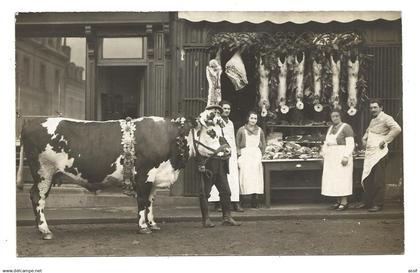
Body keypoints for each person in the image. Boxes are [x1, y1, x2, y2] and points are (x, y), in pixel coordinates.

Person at [198, 104, 241, 227]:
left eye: (218, 111)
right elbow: (197, 145)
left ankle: (227, 217)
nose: (216, 112)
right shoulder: (202, 125)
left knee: (226, 191)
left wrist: (227, 148)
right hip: (208, 163)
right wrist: (200, 162)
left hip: (221, 163)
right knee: (205, 192)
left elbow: (222, 141)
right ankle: (206, 219)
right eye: (214, 110)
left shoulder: (219, 127)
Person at [355, 99, 401, 212]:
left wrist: (385, 140)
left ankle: (378, 204)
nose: (373, 110)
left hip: (379, 153)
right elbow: (369, 131)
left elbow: (397, 128)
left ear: (381, 108)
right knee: (368, 177)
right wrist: (364, 138)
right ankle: (368, 202)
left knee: (378, 179)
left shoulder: (386, 118)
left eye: (375, 107)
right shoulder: (373, 120)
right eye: (371, 108)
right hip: (370, 152)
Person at [209, 101, 244, 212]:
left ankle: (235, 202)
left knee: (232, 177)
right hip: (219, 152)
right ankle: (218, 203)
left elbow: (232, 139)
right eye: (225, 108)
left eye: (229, 109)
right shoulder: (215, 122)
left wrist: (234, 152)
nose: (227, 110)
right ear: (220, 110)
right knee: (219, 176)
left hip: (230, 152)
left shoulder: (231, 123)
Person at [321, 109, 355, 211]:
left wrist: (346, 156)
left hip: (342, 155)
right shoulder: (331, 128)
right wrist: (323, 153)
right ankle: (338, 201)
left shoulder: (346, 127)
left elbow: (350, 144)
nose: (335, 118)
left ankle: (344, 202)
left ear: (341, 117)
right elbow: (326, 142)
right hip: (331, 157)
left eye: (337, 116)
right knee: (334, 179)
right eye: (333, 116)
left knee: (342, 178)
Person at [236, 111, 266, 208]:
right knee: (244, 178)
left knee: (256, 178)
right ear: (248, 119)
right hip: (245, 155)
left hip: (256, 156)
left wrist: (262, 154)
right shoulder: (241, 130)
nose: (253, 120)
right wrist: (239, 154)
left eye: (255, 118)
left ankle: (255, 200)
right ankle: (242, 200)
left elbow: (263, 143)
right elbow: (236, 144)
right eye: (252, 118)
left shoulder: (260, 130)